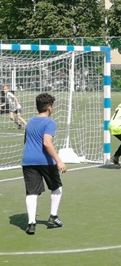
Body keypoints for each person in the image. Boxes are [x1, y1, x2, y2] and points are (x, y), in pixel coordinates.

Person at [21, 93, 66, 235]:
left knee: (32, 192)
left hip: (28, 160)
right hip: (45, 161)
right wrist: (59, 160)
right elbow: (47, 143)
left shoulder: (30, 122)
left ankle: (31, 224)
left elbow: (26, 141)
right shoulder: (49, 123)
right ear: (49, 107)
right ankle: (53, 216)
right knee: (56, 187)